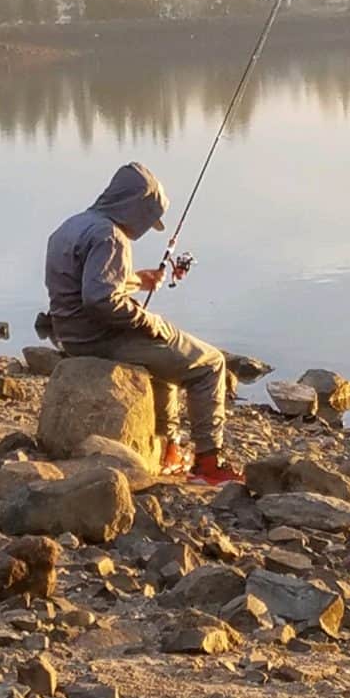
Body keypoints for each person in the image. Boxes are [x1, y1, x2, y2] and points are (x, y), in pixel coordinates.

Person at [44, 161, 242, 486]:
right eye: (148, 220)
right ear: (135, 208)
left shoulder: (71, 226)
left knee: (165, 367)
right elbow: (100, 301)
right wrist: (150, 322)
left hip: (73, 336)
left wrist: (136, 280)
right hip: (102, 337)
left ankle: (168, 450)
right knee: (209, 364)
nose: (148, 228)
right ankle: (208, 464)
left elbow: (87, 284)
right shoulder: (111, 237)